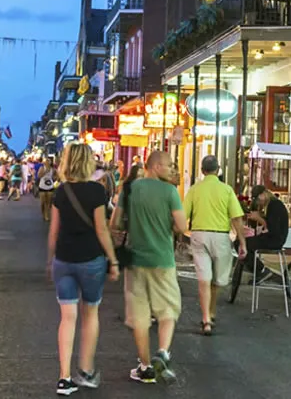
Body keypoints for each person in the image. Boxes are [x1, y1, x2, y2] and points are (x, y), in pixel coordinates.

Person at [49, 144, 121, 395]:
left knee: (67, 318)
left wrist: (50, 260)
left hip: (64, 260)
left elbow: (54, 231)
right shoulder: (96, 191)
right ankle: (86, 371)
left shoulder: (60, 192)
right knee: (90, 315)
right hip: (91, 259)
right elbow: (102, 229)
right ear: (88, 162)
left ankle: (64, 377)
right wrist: (113, 259)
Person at [121, 149, 187, 384]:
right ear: (156, 166)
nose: (171, 169)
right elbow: (181, 226)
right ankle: (162, 351)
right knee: (168, 310)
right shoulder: (170, 192)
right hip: (163, 260)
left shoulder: (129, 189)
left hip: (136, 260)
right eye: (169, 165)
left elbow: (115, 222)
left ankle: (145, 367)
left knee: (140, 317)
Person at [182, 155, 244, 336]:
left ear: (202, 170)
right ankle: (210, 313)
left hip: (199, 235)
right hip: (221, 238)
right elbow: (236, 218)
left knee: (203, 279)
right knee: (218, 280)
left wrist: (178, 233)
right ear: (218, 170)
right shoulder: (227, 190)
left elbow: (183, 214)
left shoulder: (194, 189)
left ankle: (206, 318)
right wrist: (243, 242)